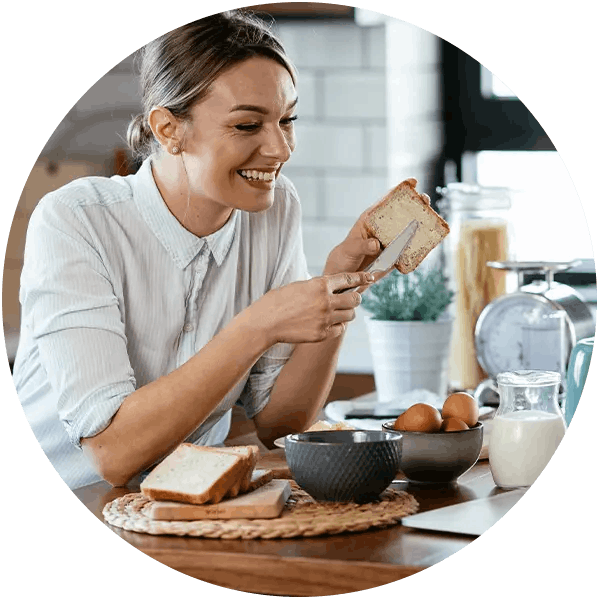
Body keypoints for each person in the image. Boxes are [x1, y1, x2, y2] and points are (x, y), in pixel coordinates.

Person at [13, 9, 383, 490]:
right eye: (248, 125)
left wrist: (338, 281)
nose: (280, 149)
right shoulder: (75, 220)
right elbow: (112, 454)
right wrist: (258, 326)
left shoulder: (274, 209)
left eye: (287, 120)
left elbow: (281, 424)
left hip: (183, 511)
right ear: (169, 130)